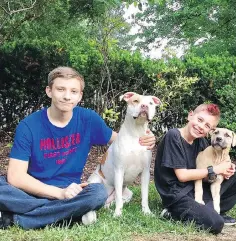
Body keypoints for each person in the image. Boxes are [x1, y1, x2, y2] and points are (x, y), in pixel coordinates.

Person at [0, 66, 155, 229]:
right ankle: (71, 215)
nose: (67, 96)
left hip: (71, 191)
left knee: (97, 193)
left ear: (80, 96)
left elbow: (121, 140)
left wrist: (146, 138)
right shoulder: (28, 126)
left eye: (73, 91)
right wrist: (58, 194)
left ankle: (14, 218)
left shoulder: (88, 119)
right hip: (33, 188)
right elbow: (16, 177)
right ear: (49, 91)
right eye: (60, 89)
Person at [154, 104, 236, 234]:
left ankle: (212, 210)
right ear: (190, 115)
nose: (201, 127)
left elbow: (208, 175)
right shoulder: (174, 136)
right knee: (215, 224)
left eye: (207, 126)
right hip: (177, 195)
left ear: (210, 131)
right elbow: (182, 175)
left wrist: (225, 171)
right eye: (200, 120)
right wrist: (216, 169)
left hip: (197, 189)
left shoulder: (200, 142)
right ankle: (172, 213)